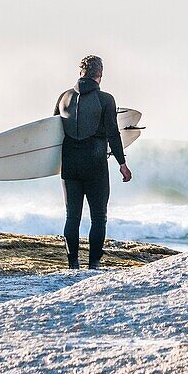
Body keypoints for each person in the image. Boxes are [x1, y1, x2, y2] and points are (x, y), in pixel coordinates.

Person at [54, 55, 132, 269]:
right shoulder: (106, 99)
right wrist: (122, 163)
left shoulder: (64, 97)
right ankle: (94, 264)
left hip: (69, 165)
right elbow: (113, 134)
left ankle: (72, 264)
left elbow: (52, 134)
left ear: (81, 73)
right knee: (99, 217)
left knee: (72, 217)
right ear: (100, 75)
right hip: (95, 165)